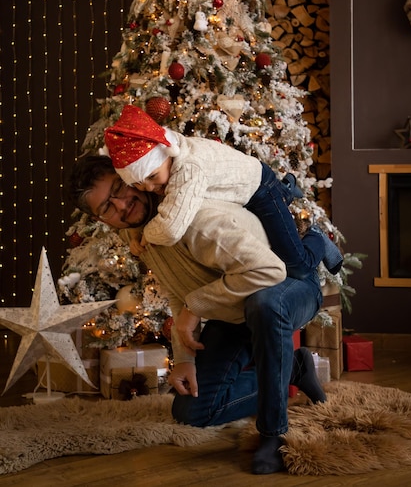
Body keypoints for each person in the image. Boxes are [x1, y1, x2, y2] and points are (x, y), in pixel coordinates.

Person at [67, 154, 326, 475]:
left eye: (119, 188)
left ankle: (272, 434)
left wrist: (194, 307)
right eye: (106, 207)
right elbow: (177, 290)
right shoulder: (140, 230)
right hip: (235, 305)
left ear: (132, 177)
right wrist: (184, 359)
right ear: (101, 219)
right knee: (194, 409)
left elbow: (269, 270)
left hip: (290, 282)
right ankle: (293, 370)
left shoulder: (194, 216)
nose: (121, 205)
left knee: (265, 302)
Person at [103, 104, 343, 278]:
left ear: (167, 153)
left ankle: (315, 237)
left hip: (260, 189)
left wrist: (145, 235)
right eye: (137, 185)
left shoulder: (188, 169)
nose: (148, 188)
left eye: (152, 177)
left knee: (297, 265)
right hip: (238, 186)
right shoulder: (166, 166)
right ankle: (287, 189)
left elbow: (170, 228)